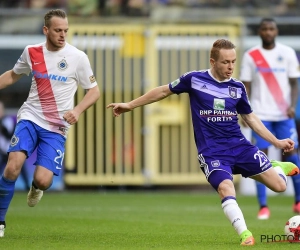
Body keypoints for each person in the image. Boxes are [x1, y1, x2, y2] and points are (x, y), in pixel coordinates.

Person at [107, 39, 299, 246]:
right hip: (212, 152)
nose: (231, 67)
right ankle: (245, 234)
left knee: (280, 186)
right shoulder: (194, 79)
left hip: (240, 147)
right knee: (226, 188)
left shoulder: (237, 87)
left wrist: (277, 142)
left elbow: (250, 119)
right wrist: (130, 105)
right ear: (213, 61)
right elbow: (163, 91)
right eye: (225, 62)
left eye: (233, 61)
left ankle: (276, 167)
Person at [0, 9, 100, 237]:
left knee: (43, 180)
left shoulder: (78, 58)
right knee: (13, 166)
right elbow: (14, 75)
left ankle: (37, 187)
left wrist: (77, 110)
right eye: (58, 30)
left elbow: (94, 92)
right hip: (30, 117)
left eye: (65, 30)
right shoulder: (31, 52)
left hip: (56, 128)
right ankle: (0, 221)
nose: (63, 35)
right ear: (46, 30)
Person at [240, 18, 300, 220]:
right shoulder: (251, 55)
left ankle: (298, 202)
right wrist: (243, 113)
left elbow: (294, 83)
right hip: (260, 115)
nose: (268, 32)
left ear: (276, 31)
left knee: (292, 155)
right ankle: (263, 206)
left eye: (271, 28)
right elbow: (245, 87)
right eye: (264, 28)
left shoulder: (288, 53)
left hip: (284, 115)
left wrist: (292, 105)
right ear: (259, 31)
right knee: (260, 160)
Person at [0, 101, 31, 190]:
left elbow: (10, 135)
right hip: (1, 151)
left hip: (10, 150)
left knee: (20, 167)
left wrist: (2, 127)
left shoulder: (7, 120)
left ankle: (27, 187)